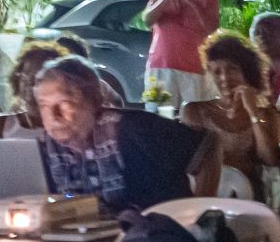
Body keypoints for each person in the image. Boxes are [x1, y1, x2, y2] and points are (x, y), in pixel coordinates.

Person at [32, 56, 215, 213]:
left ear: (92, 99)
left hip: (157, 240)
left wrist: (199, 216)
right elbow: (64, 197)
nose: (53, 117)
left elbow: (208, 150)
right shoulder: (48, 148)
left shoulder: (134, 129)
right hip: (91, 241)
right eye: (44, 106)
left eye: (63, 103)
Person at [181, 32, 280, 198]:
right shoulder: (196, 112)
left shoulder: (264, 116)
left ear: (247, 73)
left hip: (249, 198)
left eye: (232, 69)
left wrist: (253, 112)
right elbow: (190, 162)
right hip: (206, 195)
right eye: (217, 72)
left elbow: (270, 160)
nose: (225, 78)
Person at [142, 0, 222, 105]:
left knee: (193, 118)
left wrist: (193, 4)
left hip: (194, 67)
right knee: (158, 116)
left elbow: (212, 29)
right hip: (161, 65)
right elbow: (147, 20)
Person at [0, 42, 67, 137]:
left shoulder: (72, 128)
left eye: (39, 79)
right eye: (25, 77)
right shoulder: (0, 125)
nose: (29, 85)